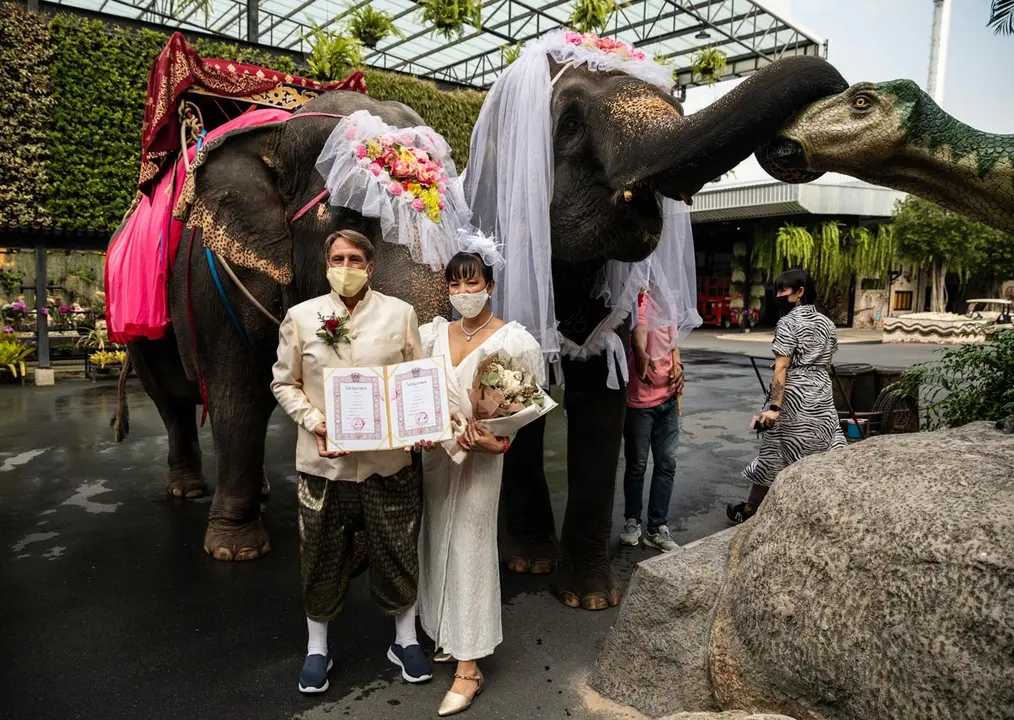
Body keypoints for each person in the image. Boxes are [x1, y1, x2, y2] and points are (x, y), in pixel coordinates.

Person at [271, 229, 432, 695]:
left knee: (398, 548)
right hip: (324, 466)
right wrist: (317, 422)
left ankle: (404, 640)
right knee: (320, 554)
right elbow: (284, 383)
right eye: (338, 258)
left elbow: (414, 379)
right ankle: (317, 648)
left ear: (371, 265)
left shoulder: (401, 314)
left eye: (355, 258)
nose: (346, 266)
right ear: (327, 265)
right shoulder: (302, 318)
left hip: (389, 463)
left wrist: (419, 423)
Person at [416, 248, 547, 716]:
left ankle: (470, 668)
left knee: (471, 548)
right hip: (436, 458)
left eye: (472, 284)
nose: (463, 294)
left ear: (489, 286)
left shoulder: (510, 340)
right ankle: (447, 633)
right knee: (435, 541)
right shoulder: (433, 333)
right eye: (455, 285)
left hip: (481, 459)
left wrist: (497, 442)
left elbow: (519, 409)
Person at [727, 268, 847, 523]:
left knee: (774, 453)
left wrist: (774, 407)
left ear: (800, 291)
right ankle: (820, 513)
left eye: (783, 290)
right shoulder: (827, 323)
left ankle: (752, 512)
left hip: (795, 396)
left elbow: (782, 367)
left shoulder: (788, 322)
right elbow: (828, 361)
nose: (778, 295)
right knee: (821, 452)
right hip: (822, 393)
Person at [619, 290, 684, 553]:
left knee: (667, 464)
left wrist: (679, 368)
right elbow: (640, 329)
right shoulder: (636, 300)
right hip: (639, 402)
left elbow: (673, 342)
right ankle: (632, 521)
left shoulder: (668, 300)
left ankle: (658, 527)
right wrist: (639, 352)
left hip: (668, 399)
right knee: (637, 465)